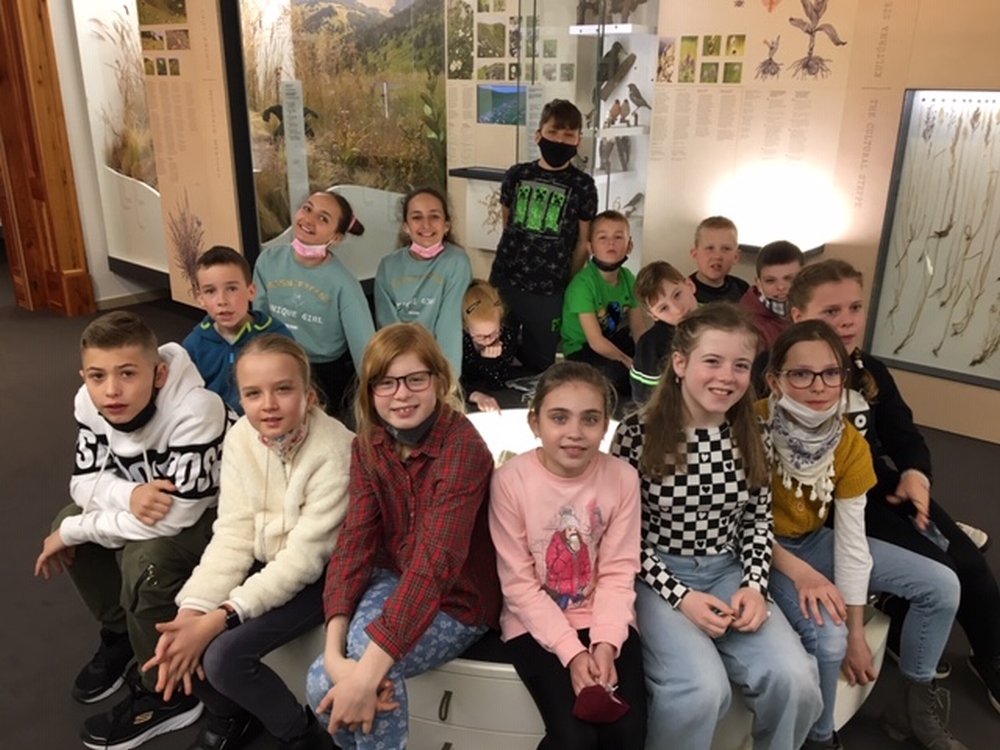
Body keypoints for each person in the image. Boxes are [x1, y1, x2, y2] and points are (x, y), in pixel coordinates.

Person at [787, 259, 998, 743]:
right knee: (934, 568)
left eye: (855, 308)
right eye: (831, 311)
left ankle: (991, 657)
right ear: (798, 316)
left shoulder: (871, 371)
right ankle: (905, 630)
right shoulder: (779, 374)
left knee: (969, 564)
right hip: (821, 505)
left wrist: (915, 475)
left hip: (876, 485)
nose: (846, 321)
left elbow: (905, 434)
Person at [609, 304, 822, 750]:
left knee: (795, 679)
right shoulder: (635, 434)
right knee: (701, 690)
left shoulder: (754, 432)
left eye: (740, 365)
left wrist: (755, 587)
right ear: (680, 363)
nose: (727, 376)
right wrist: (681, 597)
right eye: (712, 361)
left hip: (727, 569)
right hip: (654, 576)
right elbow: (621, 537)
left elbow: (758, 519)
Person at [759, 320, 964, 750]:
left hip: (812, 540)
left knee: (942, 586)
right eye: (801, 373)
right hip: (761, 548)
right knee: (828, 639)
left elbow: (852, 543)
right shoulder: (751, 426)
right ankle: (820, 737)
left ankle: (912, 709)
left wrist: (858, 632)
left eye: (830, 373)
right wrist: (807, 583)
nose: (819, 386)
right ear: (775, 380)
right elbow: (740, 524)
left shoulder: (849, 442)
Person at [143, 335, 354, 750]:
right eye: (253, 394)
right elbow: (233, 533)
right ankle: (231, 713)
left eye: (283, 389)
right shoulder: (241, 436)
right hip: (268, 561)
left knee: (223, 658)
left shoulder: (336, 450)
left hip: (324, 574)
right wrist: (193, 612)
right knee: (176, 637)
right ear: (240, 398)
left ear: (309, 395)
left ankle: (302, 736)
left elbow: (303, 560)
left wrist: (221, 617)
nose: (268, 405)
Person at [34, 311, 230, 750]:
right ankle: (123, 633)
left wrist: (78, 530)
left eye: (127, 373)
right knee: (65, 520)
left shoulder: (197, 409)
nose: (111, 391)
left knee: (146, 562)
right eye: (97, 376)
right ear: (84, 376)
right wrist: (129, 494)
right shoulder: (89, 401)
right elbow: (82, 483)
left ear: (159, 374)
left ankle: (166, 690)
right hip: (147, 502)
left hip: (214, 515)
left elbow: (176, 518)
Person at [305, 323, 502, 749]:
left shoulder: (462, 448)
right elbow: (354, 544)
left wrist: (366, 675)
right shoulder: (369, 445)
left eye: (416, 379)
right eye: (386, 382)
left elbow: (435, 565)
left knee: (365, 668)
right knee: (321, 680)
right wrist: (335, 656)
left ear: (439, 381)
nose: (401, 394)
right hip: (394, 575)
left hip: (457, 598)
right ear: (370, 390)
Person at [489, 361, 647, 749]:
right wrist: (573, 653)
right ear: (535, 422)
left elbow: (617, 572)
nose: (575, 432)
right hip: (533, 621)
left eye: (590, 419)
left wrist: (606, 642)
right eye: (559, 418)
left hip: (602, 615)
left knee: (627, 730)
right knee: (574, 738)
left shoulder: (622, 478)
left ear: (605, 424)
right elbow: (519, 586)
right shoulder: (509, 482)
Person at [490, 98, 599, 372]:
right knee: (494, 350)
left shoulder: (583, 185)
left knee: (539, 362)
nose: (559, 141)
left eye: (568, 135)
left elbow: (582, 242)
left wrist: (567, 283)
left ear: (578, 140)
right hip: (507, 280)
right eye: (553, 132)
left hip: (550, 289)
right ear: (539, 135)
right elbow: (508, 223)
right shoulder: (517, 175)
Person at [253, 190, 374, 422]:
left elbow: (365, 348)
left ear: (336, 238)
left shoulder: (343, 283)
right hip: (278, 360)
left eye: (323, 218)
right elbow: (260, 320)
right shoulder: (268, 261)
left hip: (323, 373)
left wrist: (376, 399)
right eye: (307, 208)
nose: (309, 219)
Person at [374, 187, 472, 376]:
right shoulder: (388, 266)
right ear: (406, 226)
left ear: (446, 225)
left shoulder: (457, 262)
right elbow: (388, 328)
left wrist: (447, 380)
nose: (426, 224)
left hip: (438, 365)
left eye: (434, 216)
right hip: (399, 364)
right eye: (417, 217)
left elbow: (449, 326)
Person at [183, 245, 293, 414]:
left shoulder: (277, 335)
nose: (222, 300)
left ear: (251, 291)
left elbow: (293, 386)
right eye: (210, 291)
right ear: (200, 298)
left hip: (268, 417)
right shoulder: (194, 344)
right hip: (216, 422)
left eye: (232, 289)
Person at [561, 210, 648, 400]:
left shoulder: (628, 278)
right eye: (603, 238)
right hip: (583, 349)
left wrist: (646, 357)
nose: (611, 243)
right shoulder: (582, 285)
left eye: (618, 237)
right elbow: (595, 341)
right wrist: (630, 363)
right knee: (616, 375)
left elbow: (638, 329)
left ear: (629, 245)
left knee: (654, 355)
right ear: (590, 247)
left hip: (611, 340)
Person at [629, 260, 699, 404]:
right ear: (654, 316)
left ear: (690, 285)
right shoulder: (651, 345)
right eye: (664, 308)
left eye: (677, 295)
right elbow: (645, 398)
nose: (677, 309)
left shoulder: (717, 320)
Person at [461, 279, 516, 413]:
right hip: (464, 396)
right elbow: (449, 383)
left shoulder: (505, 335)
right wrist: (476, 396)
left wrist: (489, 361)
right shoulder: (458, 340)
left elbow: (497, 383)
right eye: (479, 336)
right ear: (466, 328)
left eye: (493, 333)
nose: (488, 340)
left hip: (495, 395)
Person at [739, 240, 803, 351]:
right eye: (770, 281)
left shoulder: (816, 309)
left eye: (789, 279)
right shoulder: (747, 324)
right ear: (758, 283)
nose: (781, 287)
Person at [688, 216, 749, 304]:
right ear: (695, 255)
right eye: (709, 248)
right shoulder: (685, 292)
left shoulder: (742, 289)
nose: (717, 256)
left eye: (726, 249)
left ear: (736, 257)